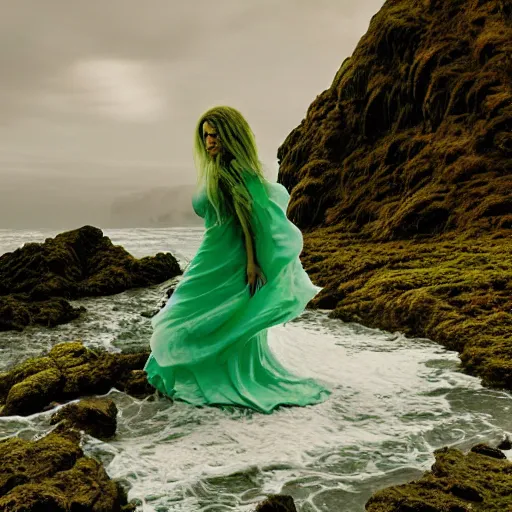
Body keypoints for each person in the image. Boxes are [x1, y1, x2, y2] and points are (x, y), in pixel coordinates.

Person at [143, 106, 331, 414]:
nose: (209, 141)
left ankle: (206, 377)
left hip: (224, 256)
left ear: (229, 135)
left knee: (187, 313)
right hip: (212, 251)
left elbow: (246, 218)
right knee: (199, 312)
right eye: (205, 135)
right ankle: (202, 373)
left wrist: (251, 262)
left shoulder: (229, 171)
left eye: (215, 135)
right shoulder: (217, 168)